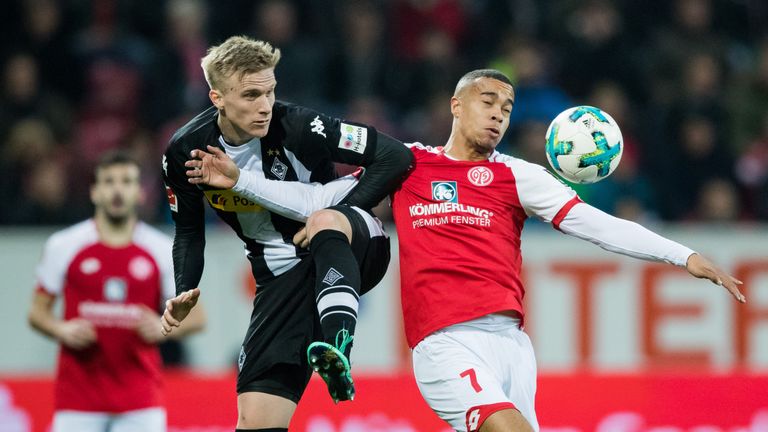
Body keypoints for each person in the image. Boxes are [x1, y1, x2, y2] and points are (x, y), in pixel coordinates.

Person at [186, 69, 747, 432]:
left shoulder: (516, 176)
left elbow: (595, 225)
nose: (500, 113)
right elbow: (318, 199)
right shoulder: (409, 164)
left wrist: (683, 256)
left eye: (507, 106)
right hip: (444, 344)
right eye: (488, 101)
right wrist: (240, 181)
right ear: (456, 105)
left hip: (512, 345)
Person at [159, 35, 412, 430]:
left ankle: (338, 344)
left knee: (324, 221)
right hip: (278, 275)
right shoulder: (186, 151)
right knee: (256, 418)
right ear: (217, 98)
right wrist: (184, 288)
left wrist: (348, 210)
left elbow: (396, 156)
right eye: (251, 95)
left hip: (350, 244)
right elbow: (188, 231)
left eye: (271, 91)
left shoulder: (302, 126)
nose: (265, 106)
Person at [27, 151, 206, 432]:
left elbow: (197, 319)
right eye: (109, 182)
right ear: (94, 192)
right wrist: (61, 330)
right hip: (78, 400)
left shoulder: (161, 250)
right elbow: (37, 313)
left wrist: (163, 327)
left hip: (141, 399)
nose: (117, 190)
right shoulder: (63, 246)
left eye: (126, 181)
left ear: (140, 193)